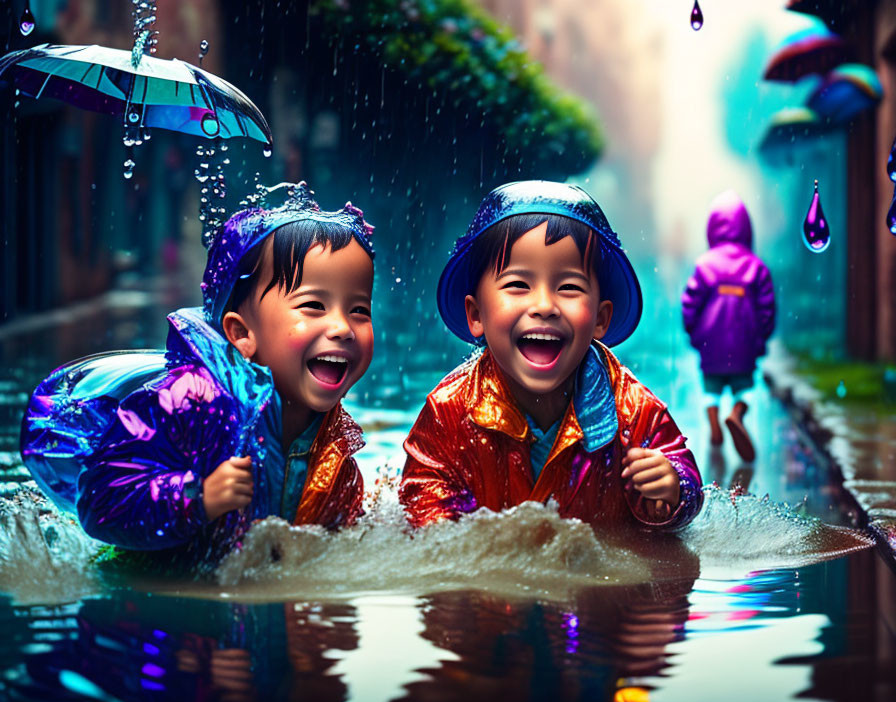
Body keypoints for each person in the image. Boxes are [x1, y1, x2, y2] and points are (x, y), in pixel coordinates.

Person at [20, 182, 375, 567]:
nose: (343, 327)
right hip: (151, 601)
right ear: (241, 333)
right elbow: (100, 501)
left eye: (359, 310)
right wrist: (198, 497)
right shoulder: (191, 399)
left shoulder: (333, 438)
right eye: (313, 305)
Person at [399, 181, 702, 530]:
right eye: (518, 285)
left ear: (601, 318)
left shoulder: (634, 412)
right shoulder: (449, 411)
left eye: (569, 288)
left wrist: (675, 488)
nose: (544, 306)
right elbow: (421, 488)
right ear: (476, 315)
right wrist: (446, 534)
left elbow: (681, 471)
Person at [681, 190, 775, 462]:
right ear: (746, 228)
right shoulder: (756, 267)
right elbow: (766, 309)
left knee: (710, 388)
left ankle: (713, 421)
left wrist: (695, 334)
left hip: (711, 345)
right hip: (745, 343)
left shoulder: (704, 266)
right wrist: (760, 338)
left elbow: (690, 304)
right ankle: (737, 414)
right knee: (745, 387)